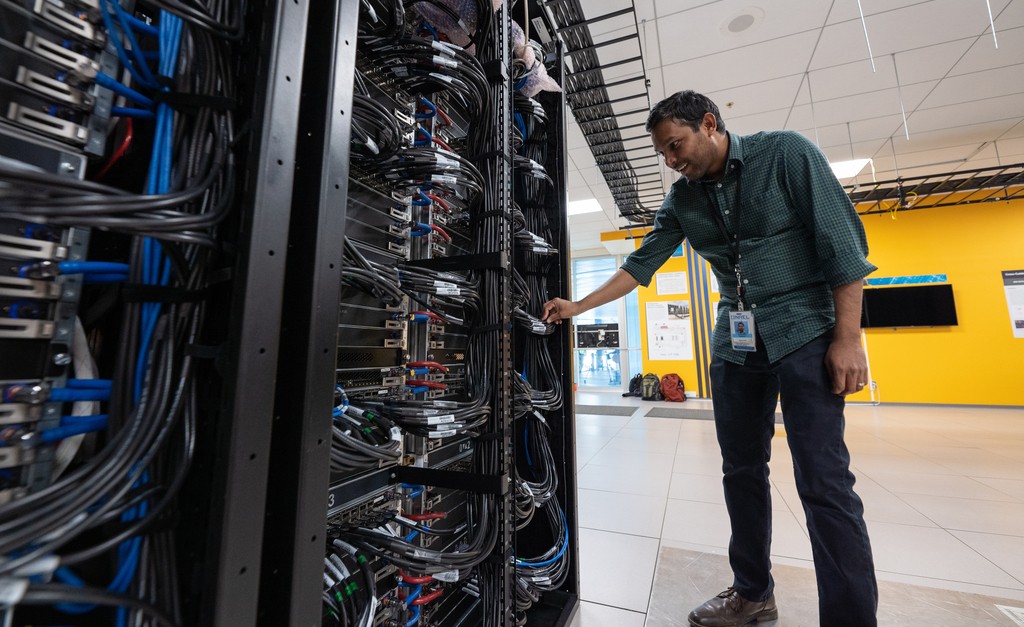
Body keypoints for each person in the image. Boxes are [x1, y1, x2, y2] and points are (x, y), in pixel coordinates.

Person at [542, 90, 878, 626]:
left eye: (676, 146)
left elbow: (842, 245)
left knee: (824, 481)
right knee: (741, 471)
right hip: (737, 343)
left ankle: (851, 618)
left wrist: (848, 339)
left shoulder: (785, 154)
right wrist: (578, 305)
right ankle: (752, 593)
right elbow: (640, 263)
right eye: (664, 154)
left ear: (709, 123)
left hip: (804, 330)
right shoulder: (682, 202)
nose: (672, 161)